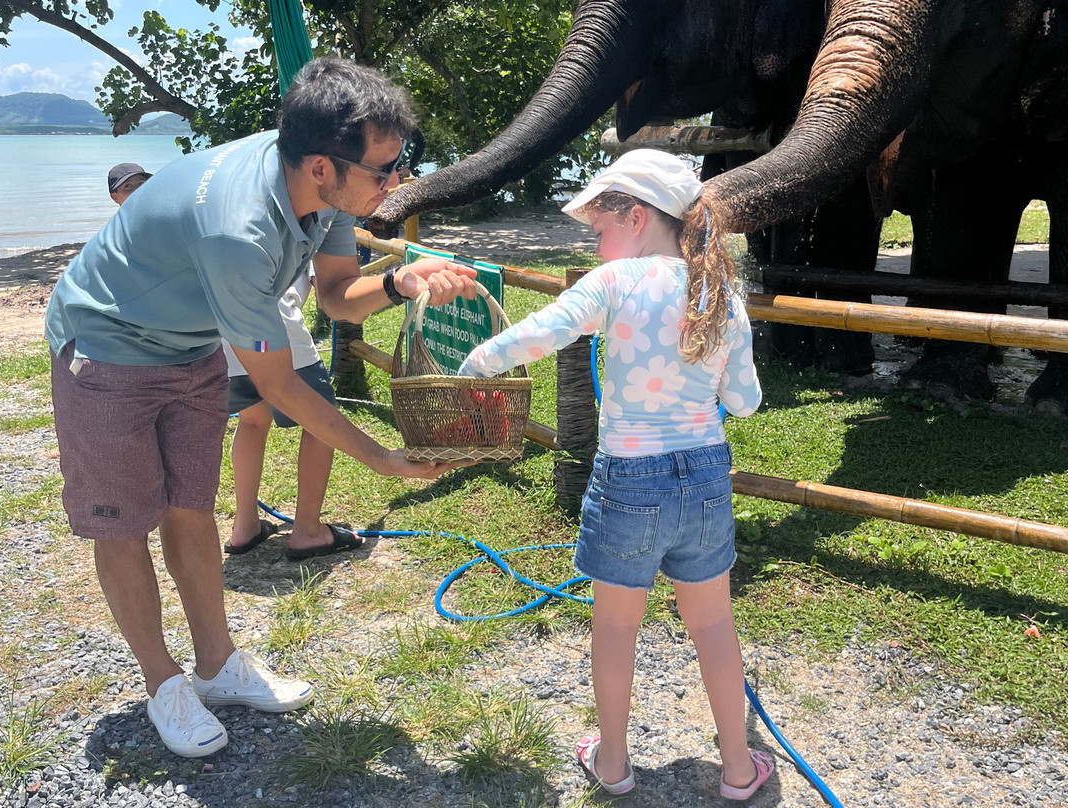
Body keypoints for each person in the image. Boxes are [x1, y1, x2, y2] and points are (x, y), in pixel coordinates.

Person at [45, 56, 476, 758]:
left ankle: (216, 666)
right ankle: (164, 684)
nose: (396, 182)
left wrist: (401, 280)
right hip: (106, 343)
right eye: (384, 170)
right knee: (121, 521)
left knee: (190, 505)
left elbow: (337, 296)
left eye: (402, 163)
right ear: (319, 165)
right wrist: (382, 458)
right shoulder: (237, 229)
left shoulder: (329, 193)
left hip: (188, 345)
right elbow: (279, 387)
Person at [458, 150, 773, 800]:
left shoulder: (616, 283)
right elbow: (745, 401)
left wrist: (474, 364)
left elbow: (540, 333)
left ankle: (613, 765)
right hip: (706, 478)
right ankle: (739, 770)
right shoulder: (721, 293)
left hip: (630, 479)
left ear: (635, 216)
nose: (596, 242)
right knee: (714, 624)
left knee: (615, 626)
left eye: (600, 228)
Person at [222, 266, 354, 560]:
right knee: (322, 424)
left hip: (226, 325)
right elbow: (334, 299)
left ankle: (244, 526)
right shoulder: (316, 225)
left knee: (252, 419)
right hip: (276, 326)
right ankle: (308, 530)